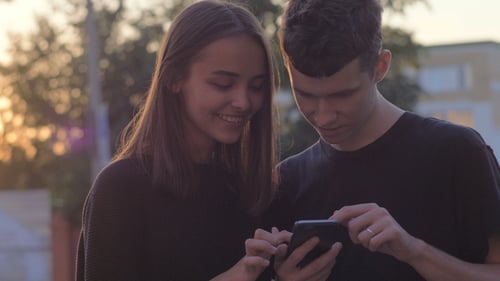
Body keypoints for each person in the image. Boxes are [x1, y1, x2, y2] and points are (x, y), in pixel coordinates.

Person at [268, 0, 500, 280]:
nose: (324, 116)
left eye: (342, 95)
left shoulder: (457, 152)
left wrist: (415, 252)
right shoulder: (286, 182)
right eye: (305, 95)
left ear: (380, 66)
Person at [75, 1, 289, 280]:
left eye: (256, 86)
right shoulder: (120, 189)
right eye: (223, 84)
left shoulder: (253, 192)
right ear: (174, 78)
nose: (243, 101)